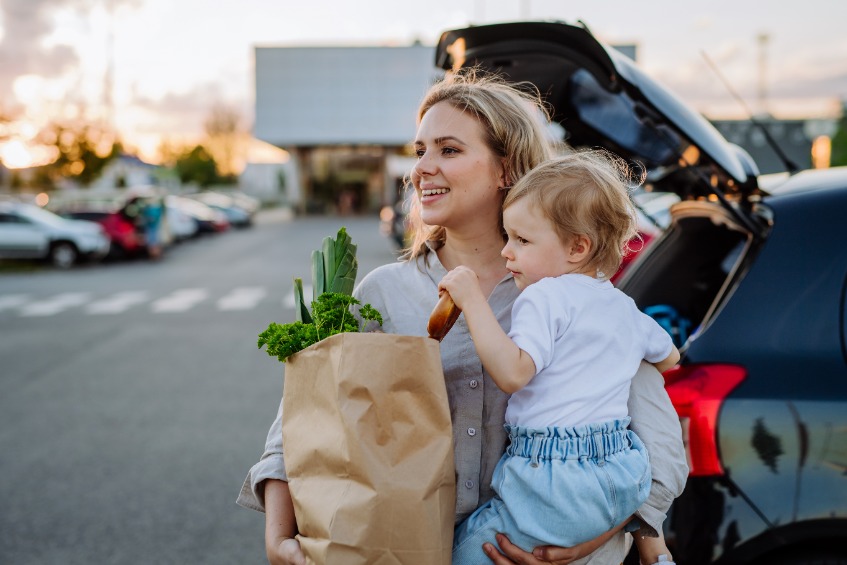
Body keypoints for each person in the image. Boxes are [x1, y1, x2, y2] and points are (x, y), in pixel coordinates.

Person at [237, 69, 688, 565]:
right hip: (407, 548)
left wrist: (601, 536)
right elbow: (302, 421)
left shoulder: (576, 295)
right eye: (420, 151)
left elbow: (652, 432)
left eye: (448, 150)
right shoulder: (384, 294)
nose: (422, 168)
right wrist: (278, 537)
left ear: (506, 170)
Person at [439, 151, 680, 565]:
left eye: (522, 240)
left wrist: (471, 299)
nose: (507, 253)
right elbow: (670, 359)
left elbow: (514, 373)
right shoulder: (623, 307)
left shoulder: (543, 295)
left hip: (554, 479)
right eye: (508, 236)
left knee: (458, 553)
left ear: (577, 247)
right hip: (623, 472)